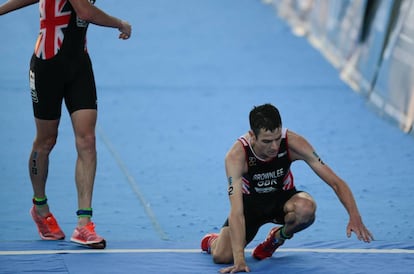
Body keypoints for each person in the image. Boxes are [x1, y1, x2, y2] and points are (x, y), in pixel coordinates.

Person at [0, 0, 131, 249]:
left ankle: (84, 224)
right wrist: (120, 23)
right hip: (47, 65)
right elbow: (84, 10)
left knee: (87, 139)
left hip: (79, 63)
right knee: (46, 140)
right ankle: (40, 208)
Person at [201, 103, 373, 273]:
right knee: (222, 256)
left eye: (277, 139)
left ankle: (277, 238)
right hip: (250, 206)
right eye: (267, 141)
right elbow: (236, 212)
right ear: (252, 135)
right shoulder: (236, 156)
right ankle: (212, 241)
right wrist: (239, 260)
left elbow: (335, 181)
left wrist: (354, 215)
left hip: (282, 199)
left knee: (306, 210)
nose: (274, 147)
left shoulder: (293, 142)